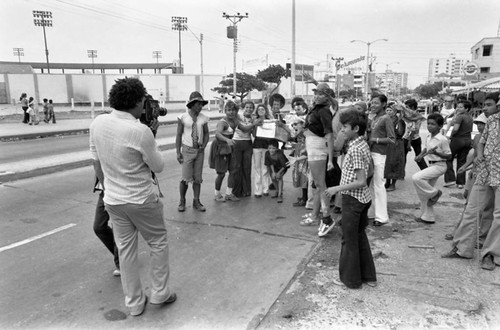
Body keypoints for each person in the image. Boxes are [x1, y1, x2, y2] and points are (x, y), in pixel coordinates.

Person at [89, 77, 175, 317]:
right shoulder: (140, 131)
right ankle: (160, 293)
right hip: (141, 199)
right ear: (138, 101)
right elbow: (157, 167)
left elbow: (96, 161)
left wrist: (109, 189)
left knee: (126, 250)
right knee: (158, 243)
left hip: (113, 200)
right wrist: (152, 133)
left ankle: (135, 303)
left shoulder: (98, 123)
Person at [441, 93, 500, 270]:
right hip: (484, 172)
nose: (485, 108)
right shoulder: (493, 120)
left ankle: (490, 254)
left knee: (498, 216)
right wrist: (480, 157)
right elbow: (481, 143)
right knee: (472, 210)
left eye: (490, 104)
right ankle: (463, 249)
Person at [324, 109, 377, 289]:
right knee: (359, 236)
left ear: (355, 128)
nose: (342, 130)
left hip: (353, 200)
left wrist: (335, 189)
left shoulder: (354, 149)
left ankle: (351, 280)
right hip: (362, 199)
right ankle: (369, 276)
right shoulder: (362, 144)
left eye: (345, 127)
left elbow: (361, 181)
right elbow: (370, 172)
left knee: (349, 240)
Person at [300, 83, 335, 237]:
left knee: (321, 185)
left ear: (327, 97)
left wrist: (330, 160)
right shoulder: (317, 109)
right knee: (315, 185)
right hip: (312, 147)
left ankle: (327, 218)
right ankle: (315, 215)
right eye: (316, 93)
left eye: (321, 94)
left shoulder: (325, 111)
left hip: (318, 148)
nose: (317, 96)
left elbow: (329, 135)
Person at [209, 100, 253, 202]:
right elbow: (217, 134)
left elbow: (245, 129)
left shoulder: (236, 121)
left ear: (236, 111)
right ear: (225, 110)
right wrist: (227, 140)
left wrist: (254, 123)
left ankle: (229, 193)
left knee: (233, 170)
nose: (231, 112)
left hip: (230, 148)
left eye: (233, 110)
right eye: (229, 110)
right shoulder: (222, 122)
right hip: (221, 148)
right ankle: (217, 194)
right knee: (221, 173)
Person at [412, 113, 452, 224]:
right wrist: (420, 156)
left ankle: (435, 193)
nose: (429, 126)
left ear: (440, 126)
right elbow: (425, 149)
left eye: (433, 124)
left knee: (417, 178)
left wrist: (437, 153)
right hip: (431, 164)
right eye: (428, 123)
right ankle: (428, 217)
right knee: (425, 194)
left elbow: (449, 156)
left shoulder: (442, 139)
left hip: (440, 165)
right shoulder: (429, 136)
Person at [175, 91, 210, 212]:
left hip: (199, 151)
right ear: (192, 104)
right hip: (187, 150)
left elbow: (206, 134)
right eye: (198, 104)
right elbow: (179, 135)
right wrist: (178, 152)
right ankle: (182, 201)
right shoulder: (183, 117)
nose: (201, 107)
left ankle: (196, 201)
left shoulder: (203, 118)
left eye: (202, 104)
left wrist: (204, 145)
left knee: (197, 178)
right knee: (185, 178)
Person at [366, 94, 395, 226]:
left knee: (379, 185)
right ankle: (372, 212)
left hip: (380, 155)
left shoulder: (386, 118)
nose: (373, 105)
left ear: (384, 104)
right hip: (371, 153)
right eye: (372, 103)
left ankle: (382, 217)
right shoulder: (374, 118)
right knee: (371, 185)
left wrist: (375, 140)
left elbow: (392, 139)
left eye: (376, 103)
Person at [92, 178, 120, 277]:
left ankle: (121, 262)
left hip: (121, 190)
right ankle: (125, 255)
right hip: (106, 190)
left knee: (119, 227)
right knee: (99, 227)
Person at [443, 100, 473, 189]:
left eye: (461, 107)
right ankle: (460, 183)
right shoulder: (470, 118)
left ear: (466, 109)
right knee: (461, 161)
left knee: (448, 158)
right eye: (458, 106)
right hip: (467, 141)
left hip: (458, 140)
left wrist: (451, 135)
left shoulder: (460, 117)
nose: (458, 108)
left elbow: (455, 129)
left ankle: (450, 180)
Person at [231, 101, 254, 197]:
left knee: (247, 168)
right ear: (244, 108)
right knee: (237, 167)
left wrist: (255, 123)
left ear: (253, 109)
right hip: (237, 142)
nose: (248, 109)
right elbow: (244, 128)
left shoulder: (253, 118)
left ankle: (246, 190)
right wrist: (253, 124)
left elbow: (254, 133)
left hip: (248, 143)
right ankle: (236, 191)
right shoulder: (238, 116)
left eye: (251, 108)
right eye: (247, 107)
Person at [287, 118, 309, 207]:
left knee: (304, 176)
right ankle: (304, 196)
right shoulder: (300, 132)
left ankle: (305, 198)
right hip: (299, 153)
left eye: (296, 124)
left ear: (302, 124)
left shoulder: (305, 133)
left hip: (303, 156)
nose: (294, 126)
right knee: (300, 175)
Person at [384, 105, 406, 191]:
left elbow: (400, 133)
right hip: (388, 144)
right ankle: (387, 182)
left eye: (390, 110)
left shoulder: (399, 121)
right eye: (387, 110)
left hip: (396, 144)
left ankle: (393, 184)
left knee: (395, 162)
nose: (388, 112)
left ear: (395, 112)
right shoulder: (385, 119)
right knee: (387, 163)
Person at [252, 103, 272, 197]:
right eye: (259, 109)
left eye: (262, 109)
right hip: (257, 145)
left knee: (265, 168)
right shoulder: (255, 121)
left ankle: (265, 189)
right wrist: (255, 125)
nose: (261, 111)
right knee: (257, 168)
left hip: (266, 145)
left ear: (265, 111)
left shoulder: (269, 121)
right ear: (257, 111)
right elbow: (254, 134)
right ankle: (257, 191)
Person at [401, 99, 427, 170]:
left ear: (412, 107)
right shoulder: (413, 116)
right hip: (414, 138)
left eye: (407, 107)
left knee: (417, 157)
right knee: (417, 157)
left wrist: (409, 142)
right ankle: (425, 171)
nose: (405, 109)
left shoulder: (415, 116)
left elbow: (413, 130)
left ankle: (426, 171)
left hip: (410, 139)